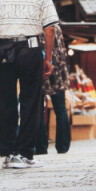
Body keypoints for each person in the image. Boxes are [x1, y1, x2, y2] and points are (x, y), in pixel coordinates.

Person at [0, 0, 58, 170]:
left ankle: (9, 154)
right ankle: (27, 153)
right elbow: (50, 27)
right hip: (31, 48)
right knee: (31, 102)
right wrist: (48, 58)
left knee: (4, 101)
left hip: (4, 49)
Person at [38, 24, 71, 154]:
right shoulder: (55, 27)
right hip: (57, 70)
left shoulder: (33, 26)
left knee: (38, 109)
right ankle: (62, 146)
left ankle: (40, 146)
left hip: (38, 68)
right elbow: (62, 51)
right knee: (60, 109)